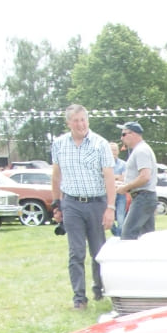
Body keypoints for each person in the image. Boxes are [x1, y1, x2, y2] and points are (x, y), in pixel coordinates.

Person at [50, 103, 116, 309]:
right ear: (68, 123)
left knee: (98, 251)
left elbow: (109, 178)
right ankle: (79, 297)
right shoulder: (59, 144)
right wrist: (57, 204)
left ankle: (100, 288)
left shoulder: (100, 144)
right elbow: (56, 175)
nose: (80, 124)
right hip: (71, 203)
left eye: (83, 120)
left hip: (96, 203)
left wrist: (110, 207)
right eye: (76, 120)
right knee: (76, 252)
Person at [116, 122, 159, 240]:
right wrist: (123, 184)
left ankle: (130, 259)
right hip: (145, 196)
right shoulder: (141, 149)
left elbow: (145, 177)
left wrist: (125, 188)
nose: (121, 138)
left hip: (143, 197)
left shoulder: (141, 151)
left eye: (124, 134)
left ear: (133, 134)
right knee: (148, 237)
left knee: (128, 234)